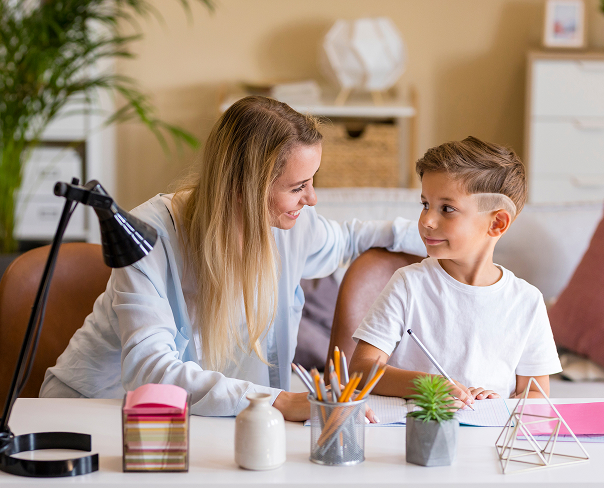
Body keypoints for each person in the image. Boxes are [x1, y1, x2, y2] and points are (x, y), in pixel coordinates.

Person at [40, 96, 426, 421]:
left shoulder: (293, 226)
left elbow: (350, 237)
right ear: (245, 188)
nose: (312, 199)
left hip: (208, 419)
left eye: (313, 181)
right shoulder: (149, 235)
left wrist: (438, 235)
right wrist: (279, 400)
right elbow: (149, 371)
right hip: (98, 410)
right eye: (298, 186)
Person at [349, 136, 562, 407]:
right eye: (425, 204)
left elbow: (535, 394)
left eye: (447, 209)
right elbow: (360, 370)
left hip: (486, 441)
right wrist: (429, 385)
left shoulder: (527, 302)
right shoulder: (409, 284)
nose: (427, 220)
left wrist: (498, 403)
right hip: (418, 436)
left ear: (497, 223)